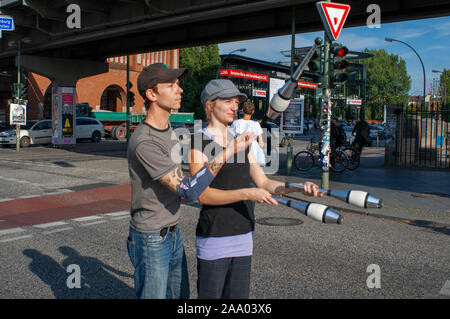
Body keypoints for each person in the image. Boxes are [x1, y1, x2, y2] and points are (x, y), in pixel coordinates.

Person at [126, 63, 255, 299]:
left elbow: (184, 189)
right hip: (151, 237)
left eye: (178, 84)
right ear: (152, 94)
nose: (180, 90)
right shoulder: (145, 142)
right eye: (171, 85)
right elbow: (190, 190)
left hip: (171, 233)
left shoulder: (170, 132)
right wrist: (228, 152)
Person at [188, 79, 322, 299]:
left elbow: (264, 182)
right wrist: (247, 194)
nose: (235, 106)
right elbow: (202, 195)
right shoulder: (198, 142)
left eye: (236, 102)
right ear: (210, 105)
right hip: (214, 237)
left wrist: (297, 188)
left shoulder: (242, 141)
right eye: (228, 101)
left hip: (243, 235)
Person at [231, 101, 265, 166]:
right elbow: (261, 143)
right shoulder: (256, 124)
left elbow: (230, 139)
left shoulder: (236, 123)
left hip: (239, 152)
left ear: (242, 110)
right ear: (253, 112)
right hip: (253, 153)